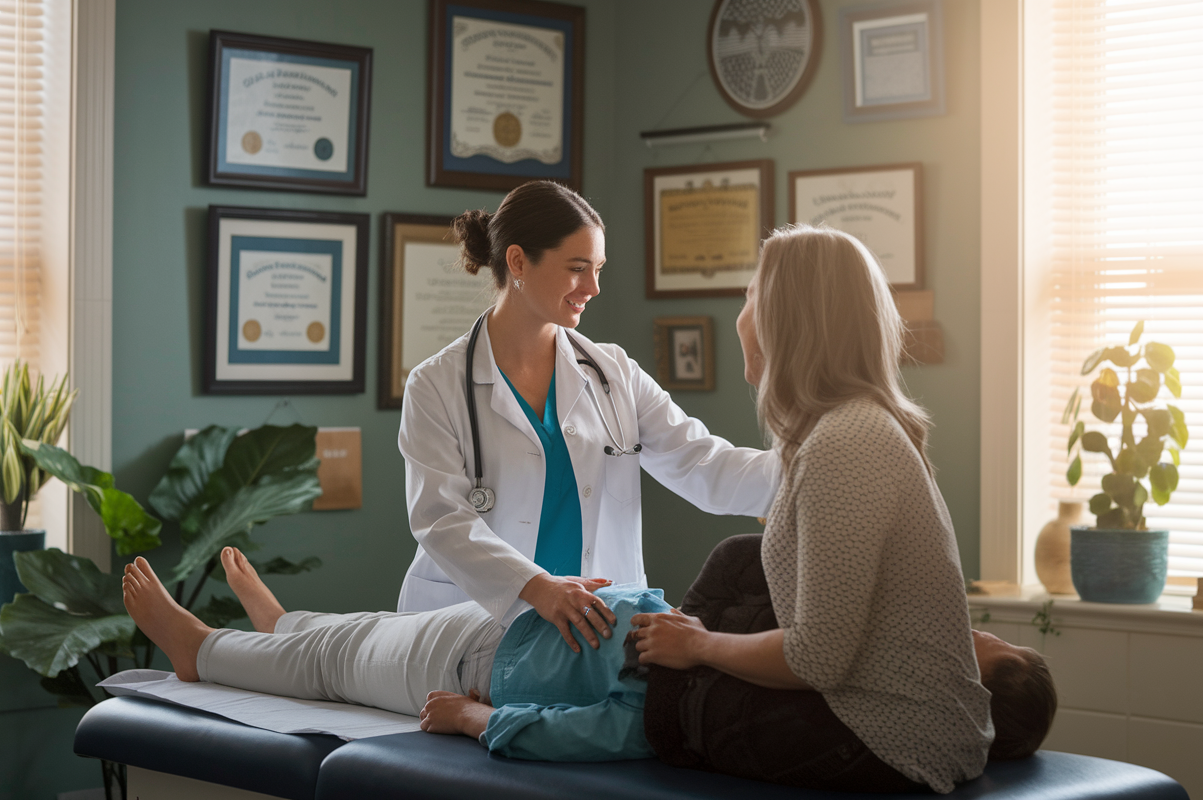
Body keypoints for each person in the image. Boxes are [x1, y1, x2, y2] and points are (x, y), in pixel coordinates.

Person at [628, 224, 1057, 793]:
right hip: (889, 728)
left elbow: (815, 660)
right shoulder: (841, 432)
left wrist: (700, 645)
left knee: (665, 701)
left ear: (787, 320)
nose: (742, 314)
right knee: (738, 565)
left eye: (752, 296)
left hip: (882, 745)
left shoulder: (849, 439)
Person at [122, 544, 1053, 770]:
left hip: (496, 671)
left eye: (990, 646)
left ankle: (205, 652)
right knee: (355, 633)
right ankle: (277, 628)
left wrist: (478, 719)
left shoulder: (742, 699)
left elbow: (602, 732)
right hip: (534, 625)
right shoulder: (813, 662)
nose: (969, 633)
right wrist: (636, 611)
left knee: (348, 659)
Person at [397, 180, 778, 653]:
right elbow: (442, 520)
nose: (593, 288)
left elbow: (701, 461)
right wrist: (537, 588)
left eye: (597, 270)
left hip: (594, 626)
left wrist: (811, 466)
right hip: (473, 626)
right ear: (517, 262)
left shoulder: (613, 372)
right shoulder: (436, 385)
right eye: (578, 269)